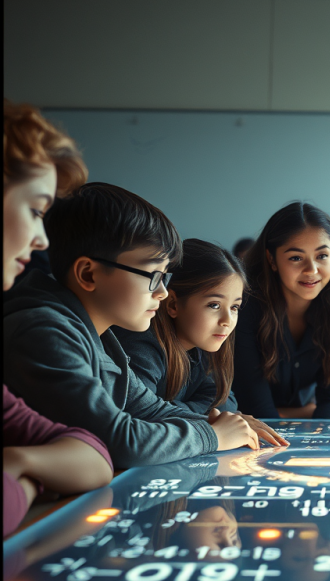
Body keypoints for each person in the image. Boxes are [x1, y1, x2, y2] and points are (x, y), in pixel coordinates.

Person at [4, 181, 286, 470]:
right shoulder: (44, 331)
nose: (162, 293)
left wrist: (227, 425)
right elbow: (120, 442)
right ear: (89, 274)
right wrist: (212, 435)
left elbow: (149, 409)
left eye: (165, 277)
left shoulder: (101, 339)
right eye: (153, 276)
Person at [3, 99, 113, 537]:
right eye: (34, 210)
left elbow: (92, 455)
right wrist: (26, 480)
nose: (40, 239)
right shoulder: (42, 325)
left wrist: (19, 461)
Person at [114, 238, 288, 446]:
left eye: (234, 307)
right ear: (173, 304)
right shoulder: (143, 345)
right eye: (214, 305)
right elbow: (141, 416)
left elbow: (225, 403)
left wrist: (173, 407)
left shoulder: (205, 346)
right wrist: (211, 420)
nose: (227, 321)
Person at [233, 201, 330, 419]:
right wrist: (303, 413)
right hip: (242, 434)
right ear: (272, 260)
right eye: (296, 258)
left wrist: (319, 436)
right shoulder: (245, 308)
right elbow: (255, 407)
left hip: (295, 432)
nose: (312, 270)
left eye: (322, 256)